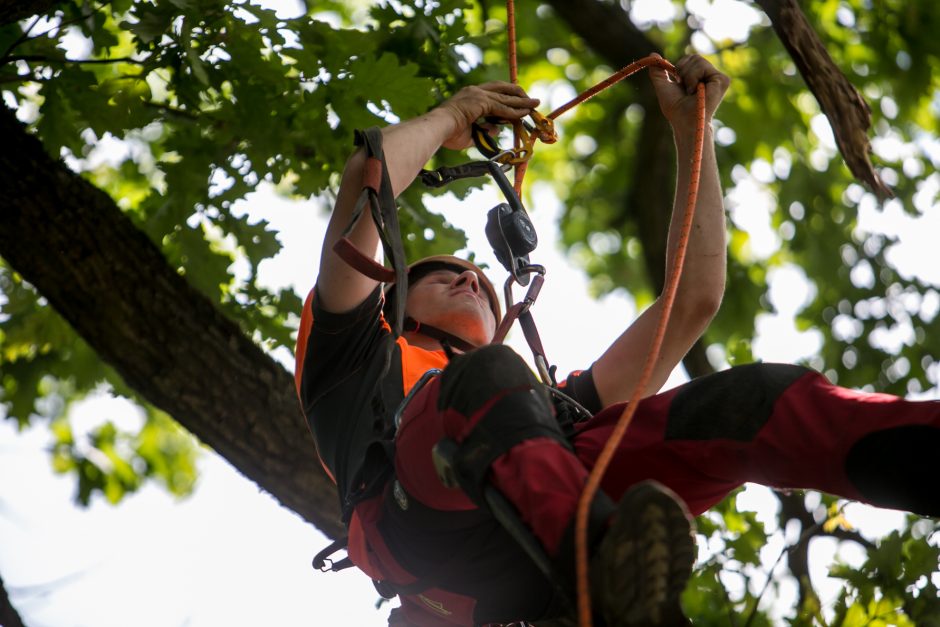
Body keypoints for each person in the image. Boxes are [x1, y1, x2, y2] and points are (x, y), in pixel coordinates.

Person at [294, 53, 939, 627]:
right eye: (444, 273)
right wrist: (452, 116)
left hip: (536, 517)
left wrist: (696, 135)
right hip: (422, 531)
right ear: (399, 301)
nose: (470, 274)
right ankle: (605, 565)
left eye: (484, 283)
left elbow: (692, 303)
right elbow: (367, 183)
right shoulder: (354, 357)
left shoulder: (545, 406)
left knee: (752, 402)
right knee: (483, 381)